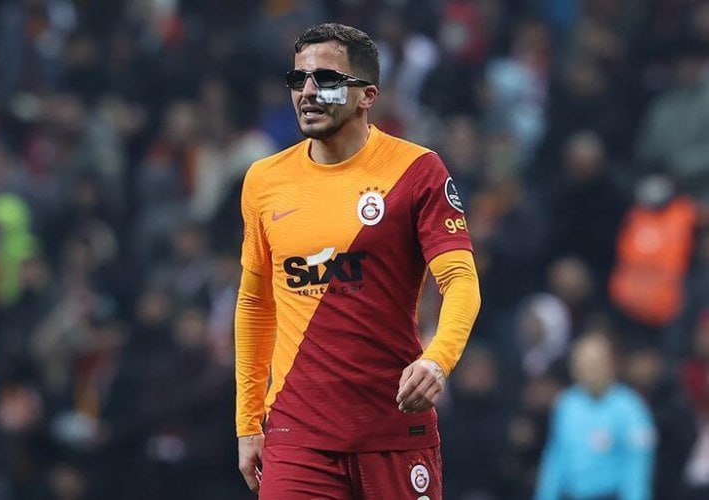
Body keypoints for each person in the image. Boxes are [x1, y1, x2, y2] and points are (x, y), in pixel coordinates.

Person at [234, 23, 481, 499]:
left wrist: (437, 360)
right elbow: (255, 304)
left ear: (368, 95)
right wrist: (248, 422)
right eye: (298, 79)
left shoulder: (416, 170)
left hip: (393, 428)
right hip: (298, 437)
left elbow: (460, 280)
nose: (308, 92)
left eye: (326, 80)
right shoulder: (264, 181)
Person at [535, 333, 656, 500]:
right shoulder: (567, 404)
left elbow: (637, 466)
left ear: (610, 365)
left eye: (595, 364)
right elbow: (556, 457)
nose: (589, 371)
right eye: (582, 364)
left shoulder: (631, 409)